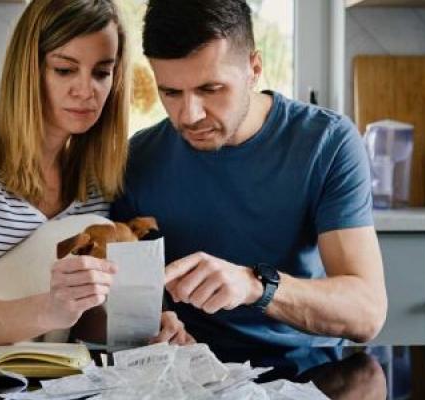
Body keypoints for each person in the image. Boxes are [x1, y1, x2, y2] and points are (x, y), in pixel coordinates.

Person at [111, 0, 387, 357]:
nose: (190, 115)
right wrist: (156, 322)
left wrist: (255, 286)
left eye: (210, 89)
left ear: (254, 68)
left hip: (308, 371)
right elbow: (130, 298)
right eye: (171, 92)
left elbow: (366, 314)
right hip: (188, 373)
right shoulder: (139, 158)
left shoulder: (327, 142)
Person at [0, 0, 191, 346]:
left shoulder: (96, 176)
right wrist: (51, 309)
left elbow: (80, 321)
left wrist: (147, 327)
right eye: (65, 70)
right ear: (29, 69)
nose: (85, 91)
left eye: (101, 72)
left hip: (50, 376)